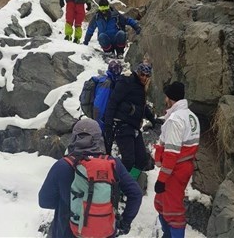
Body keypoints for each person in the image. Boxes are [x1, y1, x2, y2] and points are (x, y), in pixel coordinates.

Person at [38, 118, 142, 238]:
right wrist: (124, 223)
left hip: (67, 232)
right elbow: (135, 194)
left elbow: (44, 201)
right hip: (104, 232)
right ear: (99, 139)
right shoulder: (113, 164)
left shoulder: (62, 166)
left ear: (74, 139)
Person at [153, 82, 200, 238]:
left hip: (174, 170)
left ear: (169, 98)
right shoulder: (191, 116)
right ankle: (167, 235)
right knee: (161, 204)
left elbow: (171, 153)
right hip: (184, 166)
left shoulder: (175, 119)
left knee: (174, 211)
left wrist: (161, 179)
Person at [104, 62, 155, 180]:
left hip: (134, 127)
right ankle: (118, 187)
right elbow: (113, 101)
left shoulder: (141, 87)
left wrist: (153, 119)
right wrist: (108, 125)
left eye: (147, 75)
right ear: (138, 72)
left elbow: (142, 106)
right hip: (121, 125)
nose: (144, 77)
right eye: (142, 74)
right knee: (128, 160)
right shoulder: (126, 82)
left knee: (142, 160)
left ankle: (129, 183)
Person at [92, 60, 123, 142]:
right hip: (101, 120)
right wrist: (102, 123)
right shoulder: (107, 83)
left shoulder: (110, 81)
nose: (118, 72)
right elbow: (100, 105)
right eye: (117, 70)